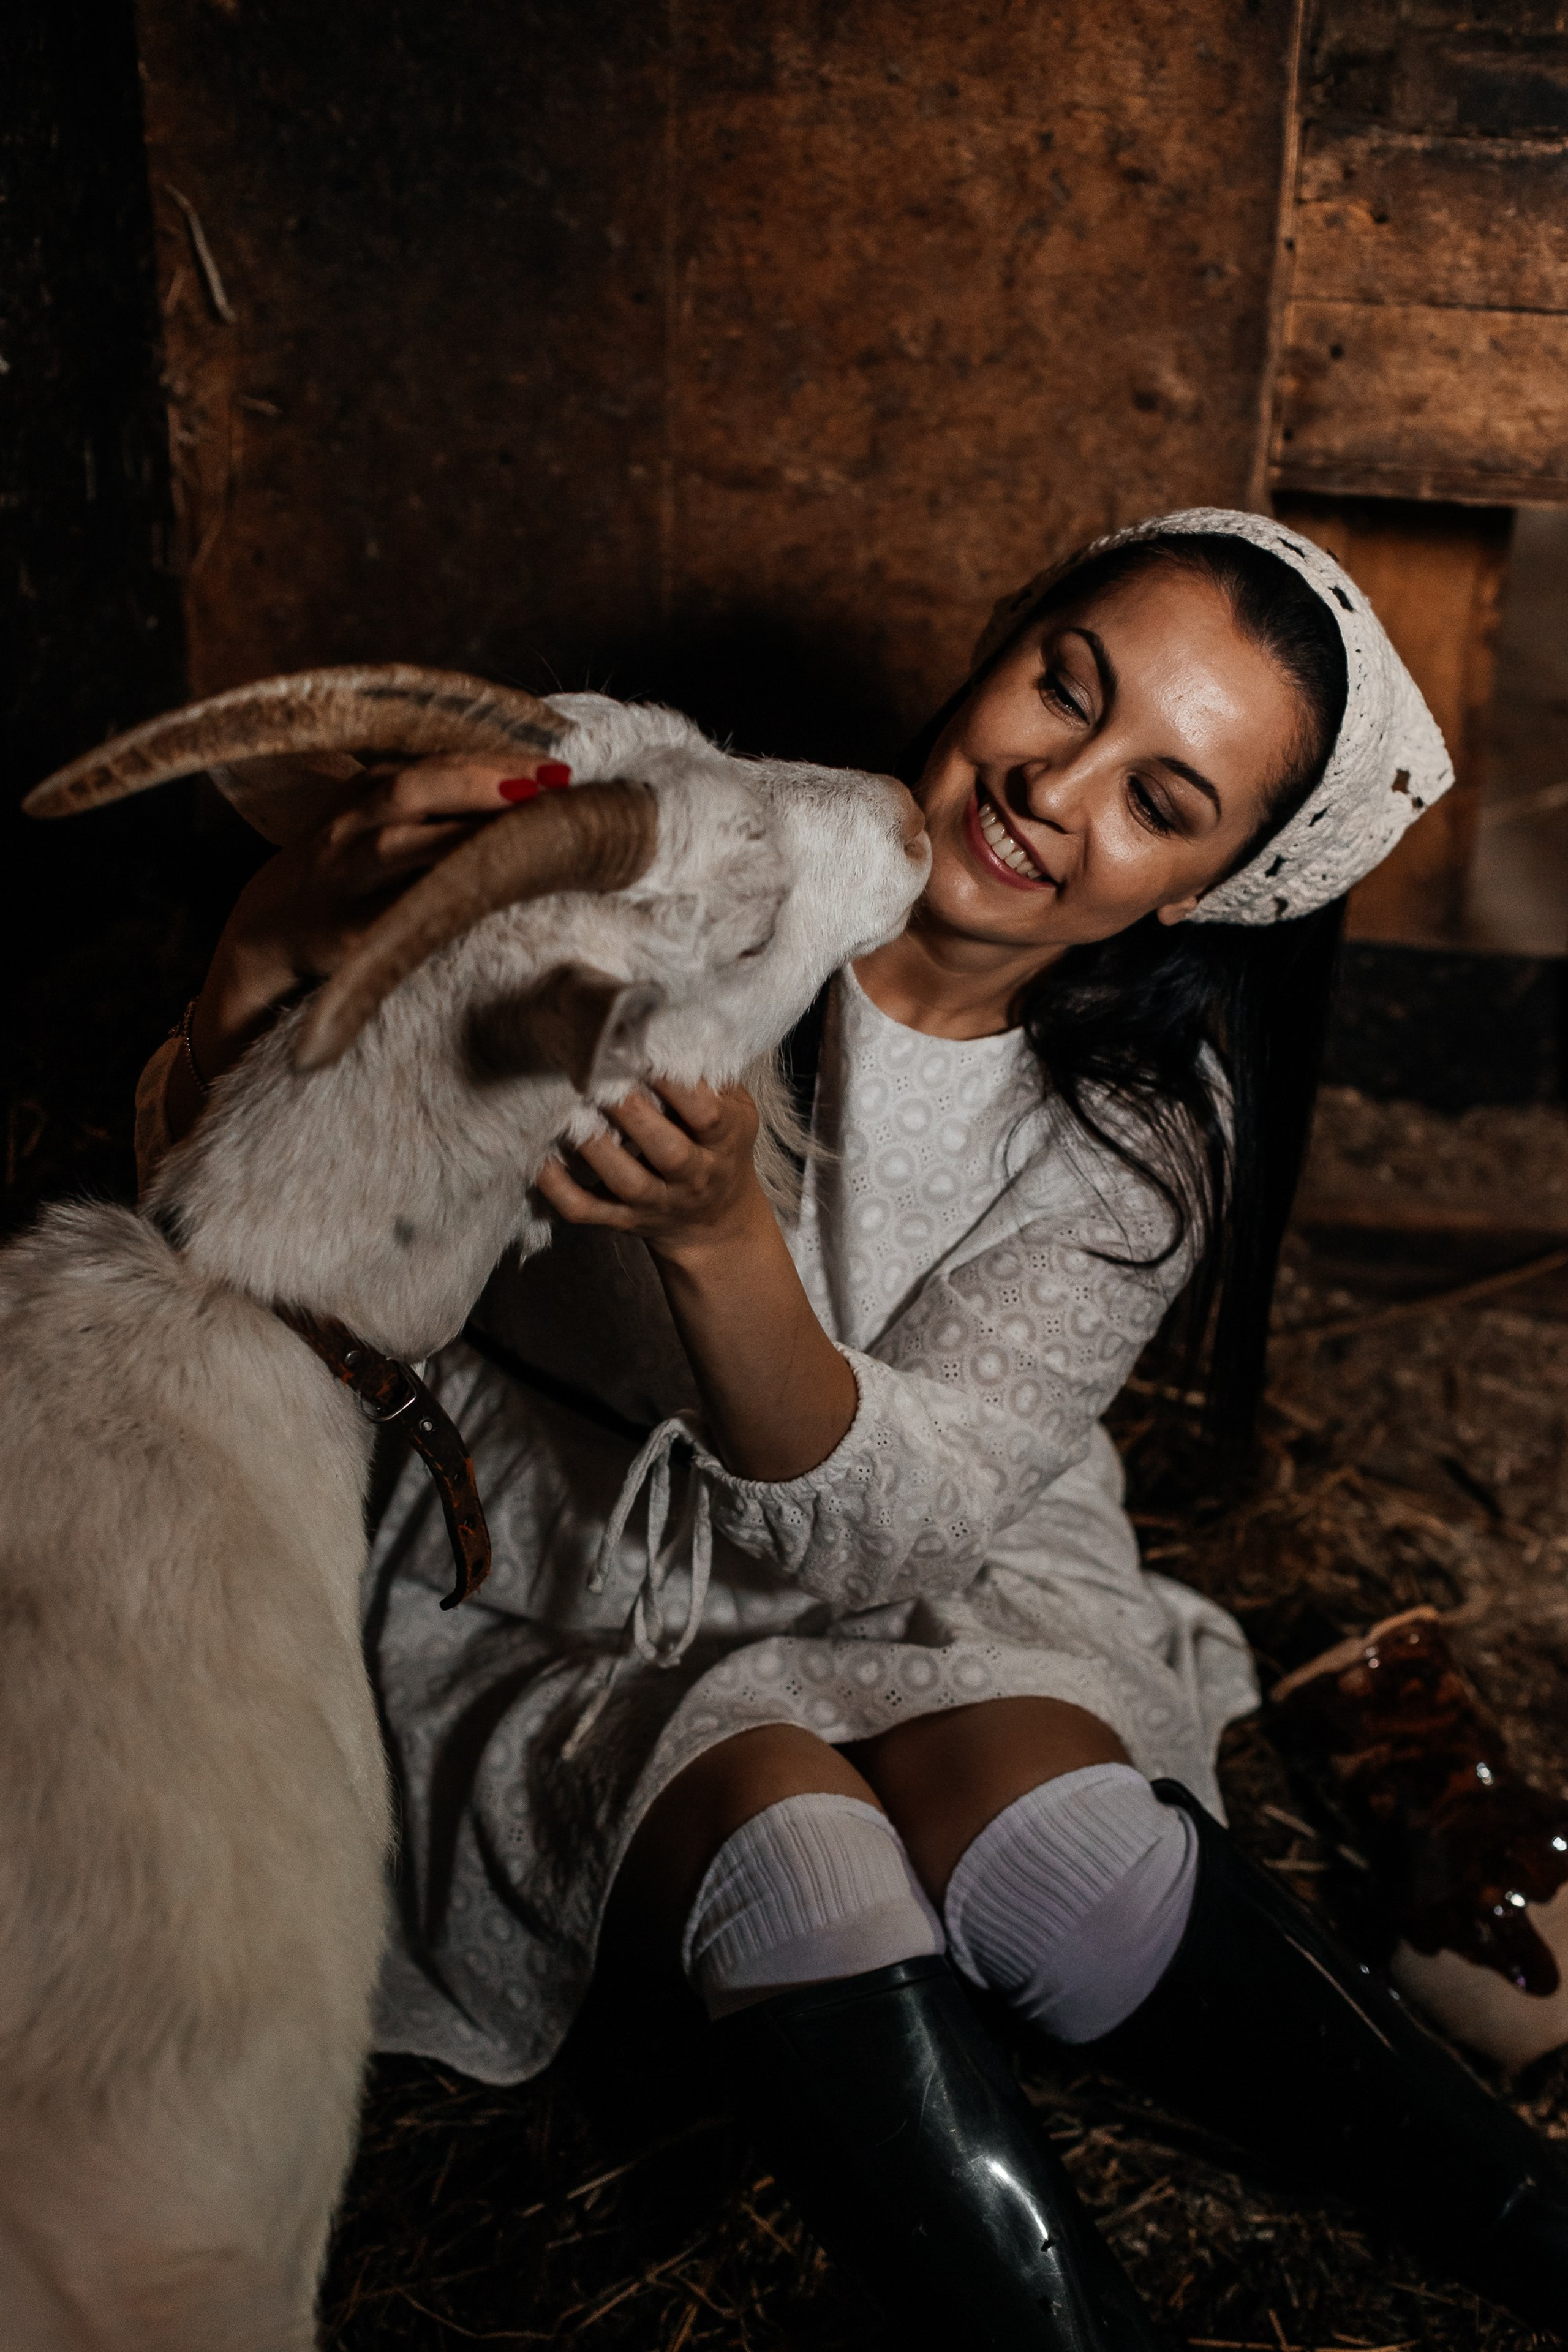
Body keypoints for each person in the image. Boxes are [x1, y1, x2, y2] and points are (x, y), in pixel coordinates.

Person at [139, 509, 1568, 2347]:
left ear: (1206, 890)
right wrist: (269, 962)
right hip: (566, 1563)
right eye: (1067, 688)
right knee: (805, 1857)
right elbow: (272, 1194)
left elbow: (902, 1536)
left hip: (931, 1557)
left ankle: (1535, 2230)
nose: (1056, 789)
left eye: (1161, 802)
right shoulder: (711, 865)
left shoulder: (1141, 1132)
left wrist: (721, 1239)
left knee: (1066, 1861)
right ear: (1003, 637)